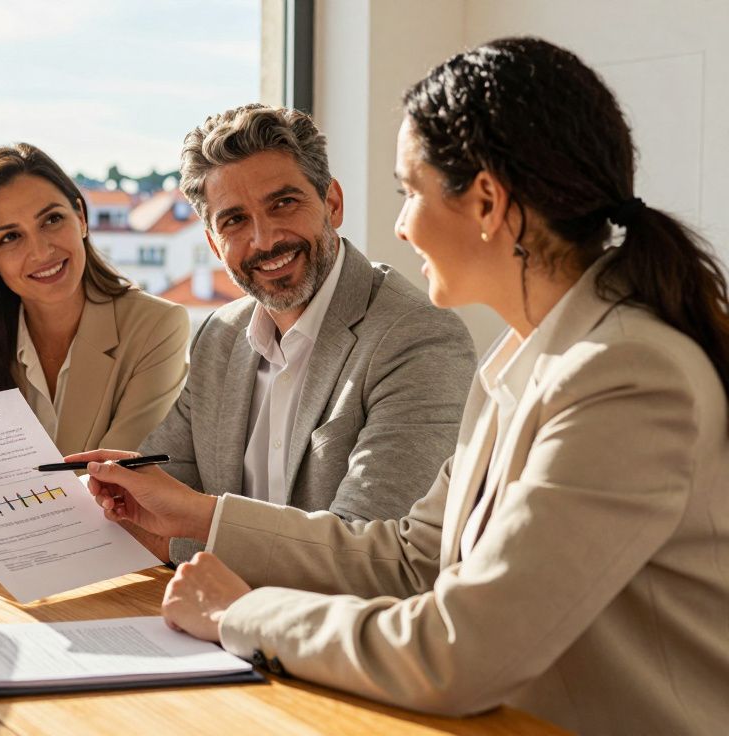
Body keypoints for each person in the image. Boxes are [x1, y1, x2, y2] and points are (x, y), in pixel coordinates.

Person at [78, 38, 729, 734]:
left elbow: (462, 649)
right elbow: (409, 557)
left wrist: (238, 615)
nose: (398, 224)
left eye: (408, 191)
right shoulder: (523, 360)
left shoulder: (624, 376)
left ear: (485, 201)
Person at [102, 104, 476, 562]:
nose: (264, 240)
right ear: (213, 243)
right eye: (234, 220)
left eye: (283, 203)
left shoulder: (420, 339)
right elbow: (152, 504)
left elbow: (370, 553)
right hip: (206, 618)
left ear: (332, 203)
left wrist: (195, 527)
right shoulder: (219, 335)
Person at [0, 143, 190, 531]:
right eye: (10, 237)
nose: (41, 250)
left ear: (81, 217)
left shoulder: (156, 326)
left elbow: (118, 485)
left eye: (52, 220)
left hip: (111, 560)